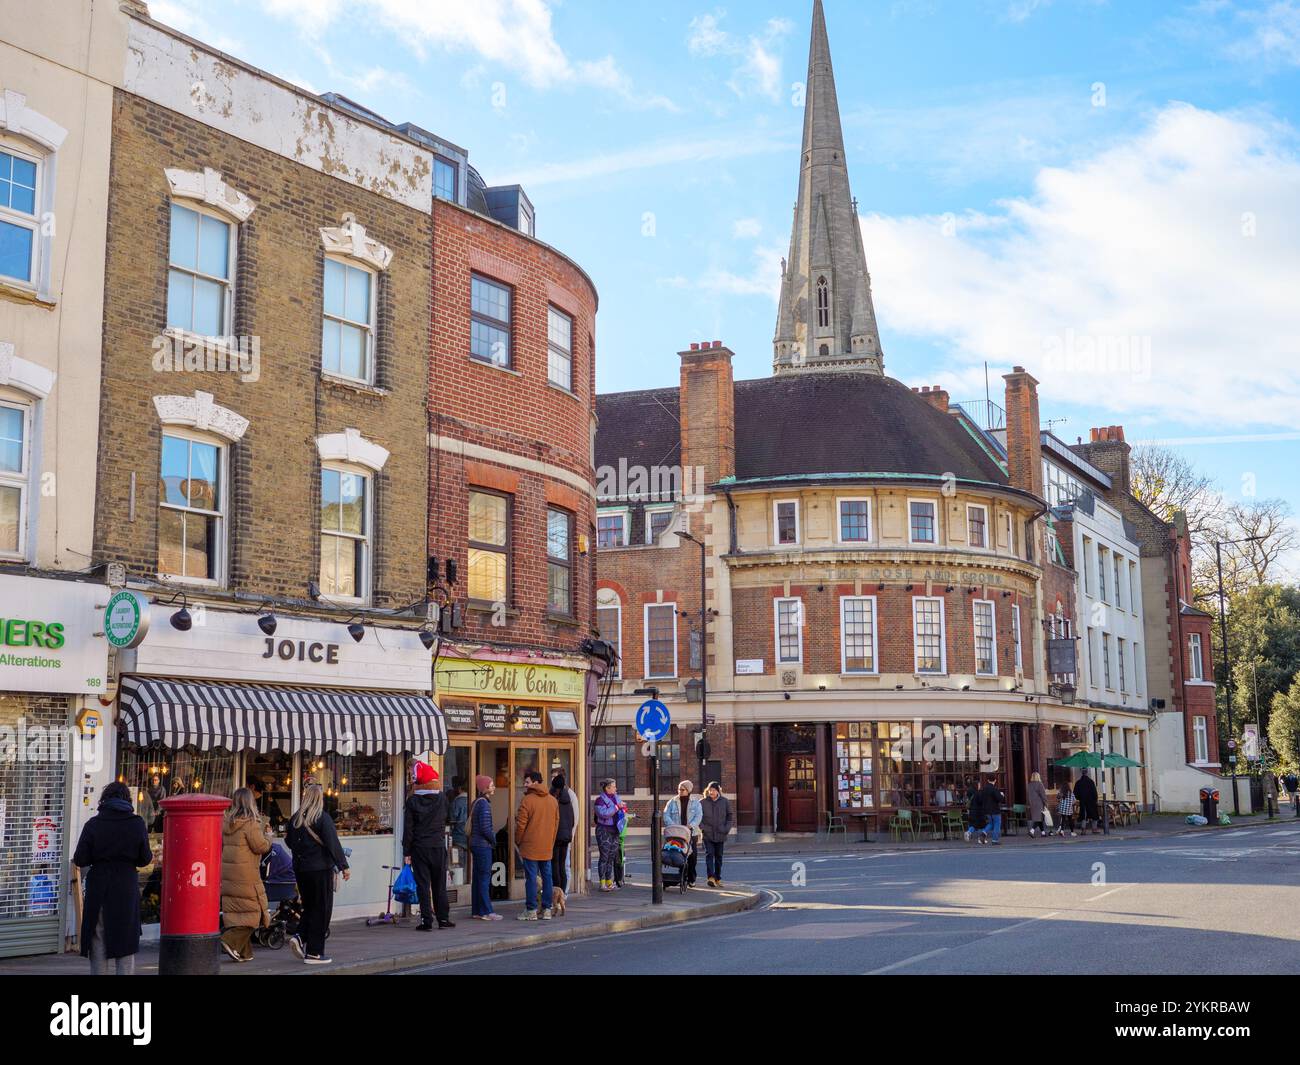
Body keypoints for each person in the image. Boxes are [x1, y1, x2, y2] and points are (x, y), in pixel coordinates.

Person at [72, 781, 153, 975]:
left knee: (98, 938)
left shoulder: (93, 824)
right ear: (127, 800)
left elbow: (80, 859)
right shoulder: (136, 823)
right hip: (125, 886)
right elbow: (145, 859)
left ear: (104, 800)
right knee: (125, 939)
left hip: (99, 886)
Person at [284, 782, 350, 965]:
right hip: (320, 869)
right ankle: (314, 952)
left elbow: (289, 842)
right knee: (322, 909)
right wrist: (344, 866)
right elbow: (333, 844)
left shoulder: (295, 819)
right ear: (320, 798)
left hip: (300, 869)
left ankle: (299, 936)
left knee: (310, 906)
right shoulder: (322, 818)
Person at [219, 786, 273, 962]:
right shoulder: (250, 824)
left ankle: (245, 952)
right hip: (246, 874)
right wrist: (269, 836)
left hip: (228, 874)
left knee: (237, 912)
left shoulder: (226, 822)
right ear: (251, 802)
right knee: (254, 912)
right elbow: (261, 847)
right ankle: (229, 940)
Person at [403, 761, 452, 931]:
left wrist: (406, 851)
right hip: (438, 845)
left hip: (419, 847)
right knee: (440, 884)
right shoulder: (442, 799)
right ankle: (443, 918)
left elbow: (408, 829)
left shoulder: (412, 801)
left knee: (423, 885)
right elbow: (448, 817)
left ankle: (426, 920)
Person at [515, 769, 559, 920]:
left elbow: (521, 825)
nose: (525, 785)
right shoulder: (553, 800)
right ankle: (547, 909)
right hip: (546, 845)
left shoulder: (527, 800)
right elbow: (556, 825)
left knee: (531, 878)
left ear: (535, 782)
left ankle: (531, 910)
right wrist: (551, 842)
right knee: (547, 877)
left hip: (530, 845)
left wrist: (518, 840)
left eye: (527, 782)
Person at [469, 775, 501, 921]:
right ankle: (487, 911)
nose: (493, 787)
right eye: (491, 785)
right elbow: (485, 828)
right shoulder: (484, 804)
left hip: (475, 844)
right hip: (483, 845)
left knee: (477, 878)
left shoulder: (476, 802)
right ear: (485, 788)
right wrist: (494, 840)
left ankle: (477, 910)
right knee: (484, 878)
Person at [663, 780, 703, 886]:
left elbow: (698, 816)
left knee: (692, 856)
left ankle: (691, 878)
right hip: (677, 834)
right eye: (679, 789)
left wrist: (691, 826)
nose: (680, 791)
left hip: (691, 833)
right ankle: (681, 876)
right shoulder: (672, 802)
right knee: (679, 854)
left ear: (688, 790)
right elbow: (666, 815)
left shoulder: (695, 802)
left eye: (682, 789)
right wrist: (673, 826)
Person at [699, 781, 734, 887]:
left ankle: (717, 878)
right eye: (710, 790)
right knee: (709, 854)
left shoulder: (725, 802)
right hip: (707, 834)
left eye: (713, 790)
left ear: (718, 791)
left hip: (720, 834)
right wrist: (703, 828)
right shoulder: (702, 802)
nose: (711, 792)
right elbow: (698, 817)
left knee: (719, 857)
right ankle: (710, 877)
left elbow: (730, 816)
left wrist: (726, 829)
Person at [550, 773, 576, 897]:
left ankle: (556, 893)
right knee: (562, 866)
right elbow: (572, 819)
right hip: (566, 837)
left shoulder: (554, 800)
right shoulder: (568, 800)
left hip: (555, 837)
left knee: (555, 865)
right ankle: (563, 894)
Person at [594, 778, 622, 892]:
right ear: (607, 788)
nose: (616, 788)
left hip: (615, 830)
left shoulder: (617, 798)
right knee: (604, 857)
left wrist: (623, 810)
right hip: (604, 831)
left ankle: (609, 881)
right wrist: (616, 807)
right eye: (614, 786)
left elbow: (619, 811)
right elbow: (604, 814)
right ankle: (602, 882)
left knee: (611, 857)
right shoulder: (599, 800)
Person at [976, 776, 1004, 844]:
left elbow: (980, 799)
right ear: (995, 780)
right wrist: (1002, 795)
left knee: (991, 823)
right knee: (997, 824)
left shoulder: (984, 789)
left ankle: (983, 833)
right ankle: (995, 840)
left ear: (988, 780)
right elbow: (999, 799)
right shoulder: (994, 788)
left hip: (987, 810)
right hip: (995, 810)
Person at [448, 776, 468, 852]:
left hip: (458, 837)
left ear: (459, 789)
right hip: (470, 837)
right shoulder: (473, 801)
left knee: (459, 862)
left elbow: (452, 820)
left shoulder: (456, 802)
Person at [1027, 772, 1049, 838]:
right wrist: (1046, 803)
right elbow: (1043, 795)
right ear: (1038, 777)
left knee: (1039, 818)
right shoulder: (1039, 784)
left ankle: (1043, 833)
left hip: (1032, 804)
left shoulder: (1029, 785)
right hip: (1039, 804)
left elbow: (1028, 795)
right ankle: (1032, 831)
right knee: (1038, 819)